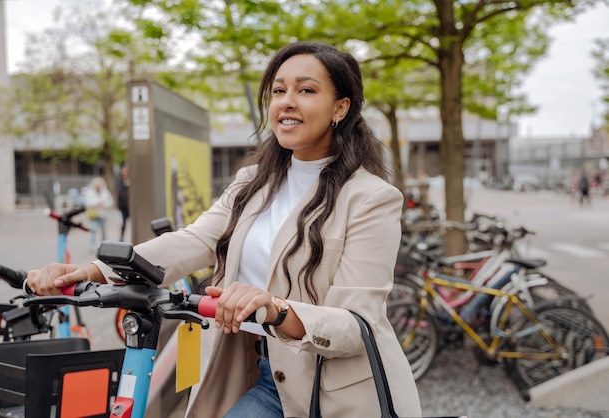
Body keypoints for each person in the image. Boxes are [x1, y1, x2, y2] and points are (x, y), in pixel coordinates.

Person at [27, 41, 421, 417]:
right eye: (279, 90)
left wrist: (275, 308)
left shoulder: (371, 198)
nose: (286, 101)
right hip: (264, 375)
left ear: (340, 107)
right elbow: (196, 240)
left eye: (306, 90)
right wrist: (96, 270)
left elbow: (357, 323)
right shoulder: (254, 181)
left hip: (335, 391)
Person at [82, 176, 114, 249]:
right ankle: (92, 245)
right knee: (93, 230)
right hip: (94, 215)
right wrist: (97, 203)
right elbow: (87, 202)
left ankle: (104, 245)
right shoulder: (90, 192)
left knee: (103, 230)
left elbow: (111, 202)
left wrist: (104, 205)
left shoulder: (105, 192)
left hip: (103, 214)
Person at [115, 164, 131, 241]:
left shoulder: (130, 181)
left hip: (129, 205)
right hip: (123, 206)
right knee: (123, 222)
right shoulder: (120, 181)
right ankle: (122, 237)